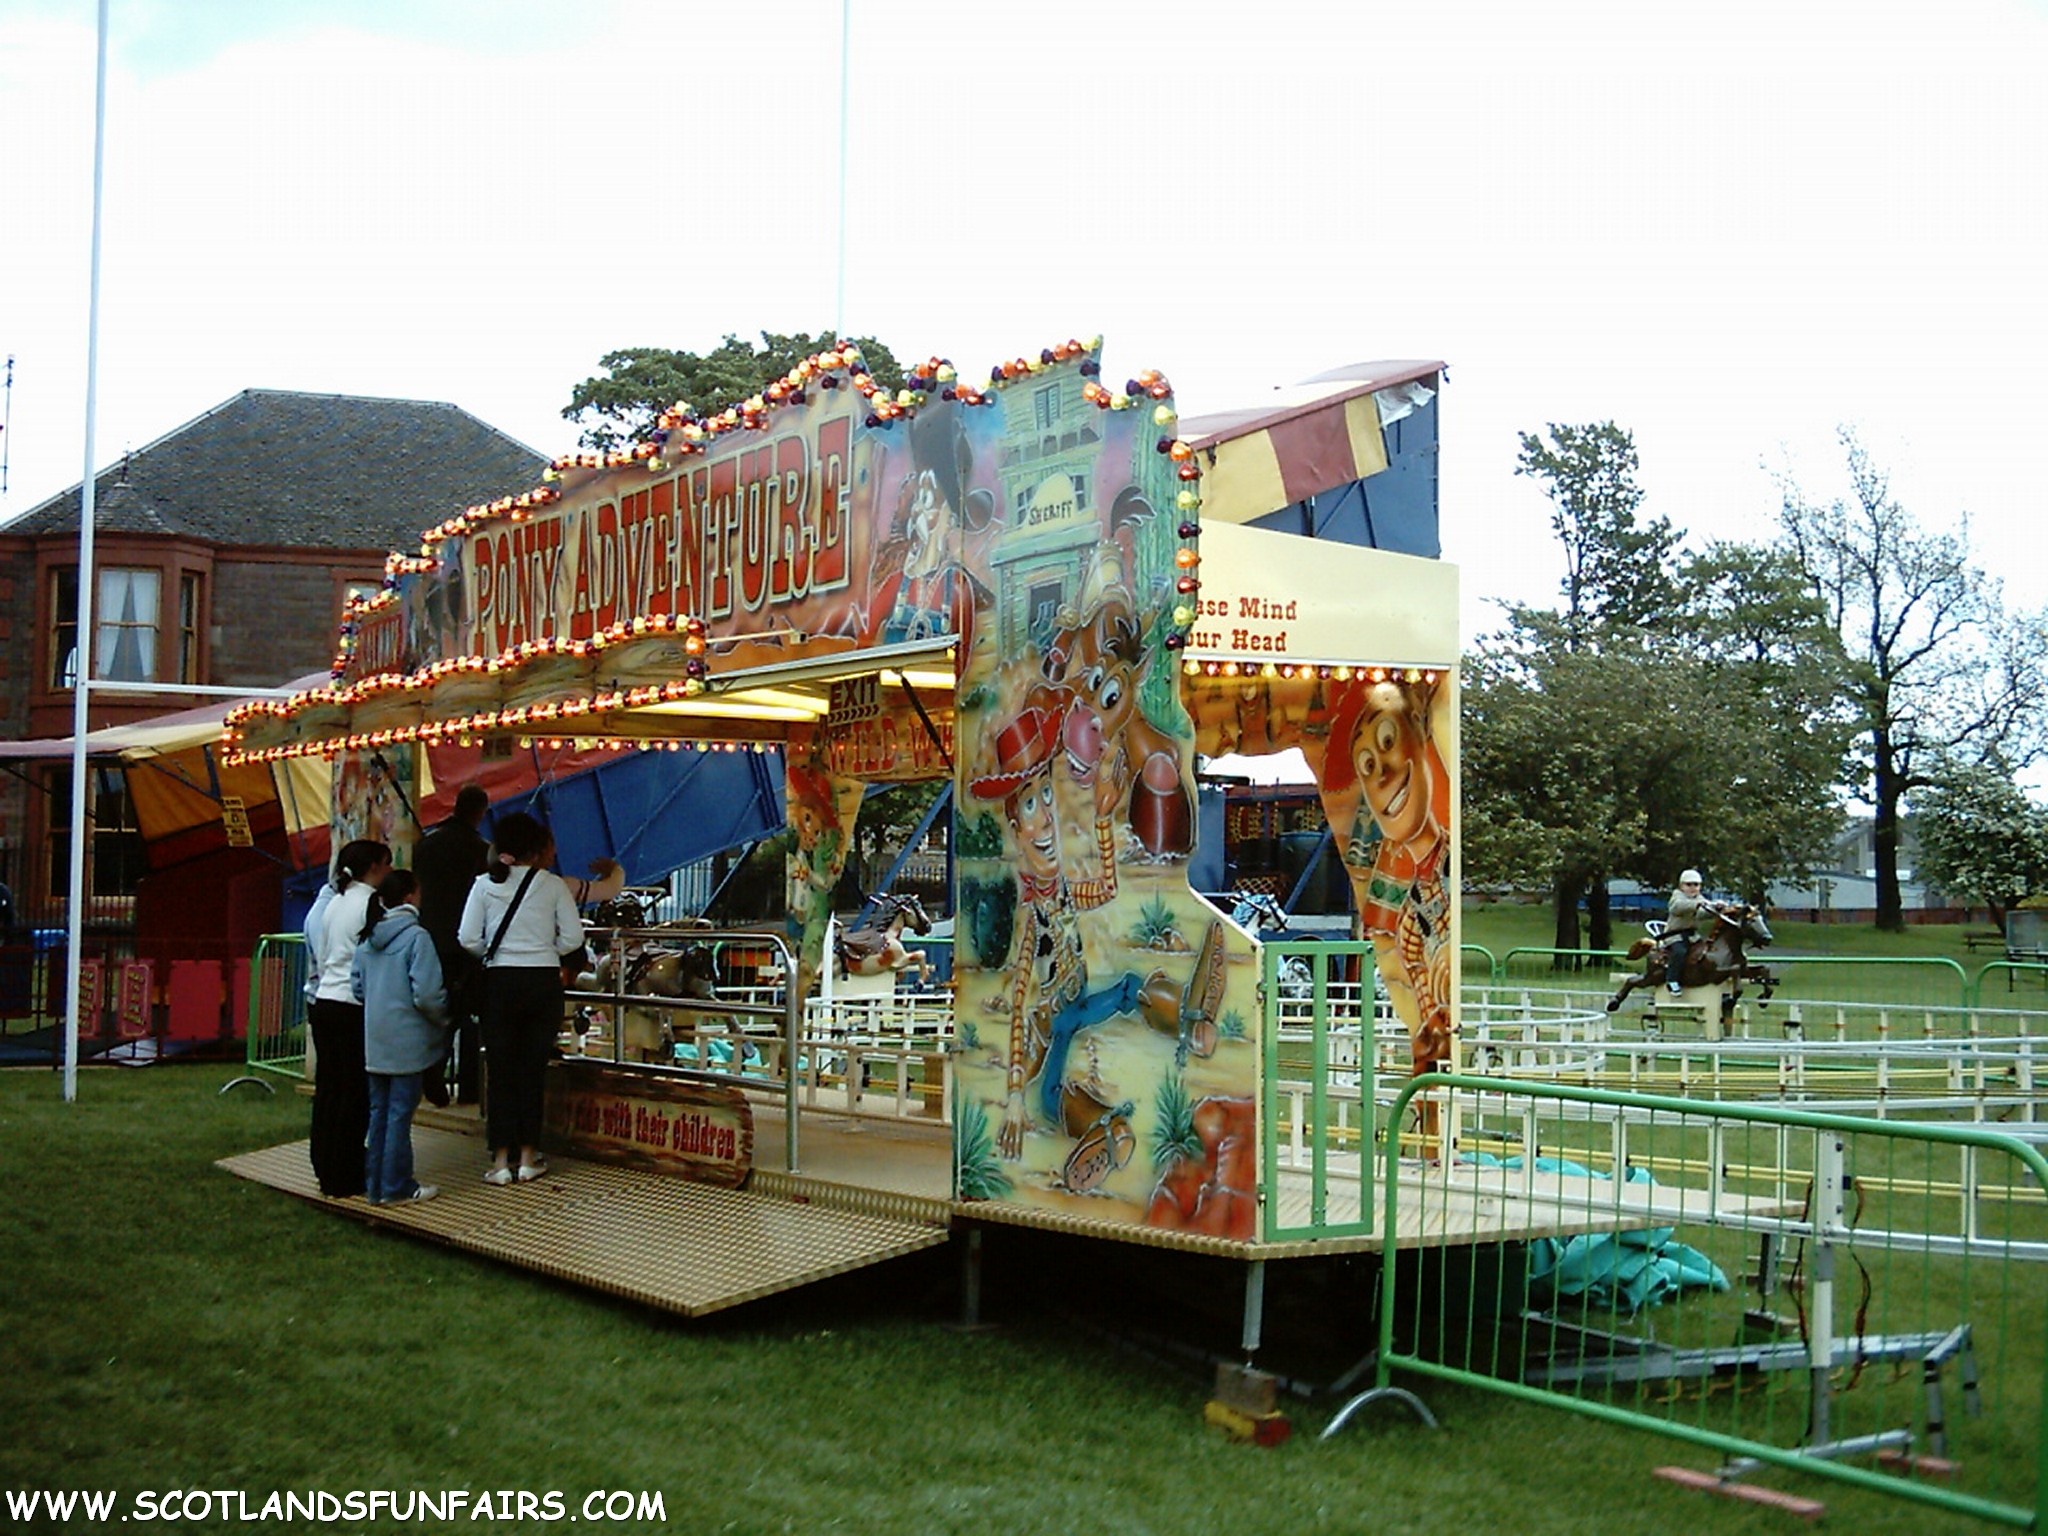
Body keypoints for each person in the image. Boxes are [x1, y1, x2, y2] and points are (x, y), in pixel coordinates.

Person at [459, 811, 586, 1187]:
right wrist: (546, 950)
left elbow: (467, 938)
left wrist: (494, 954)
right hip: (542, 982)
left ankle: (500, 1161)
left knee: (500, 1072)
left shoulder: (484, 885)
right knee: (532, 1070)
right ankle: (529, 1157)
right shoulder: (552, 886)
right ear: (536, 848)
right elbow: (574, 939)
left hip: (499, 982)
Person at [350, 869, 449, 1204]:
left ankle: (375, 1185)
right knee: (399, 1116)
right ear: (409, 896)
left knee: (378, 1113)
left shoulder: (367, 938)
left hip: (375, 1039)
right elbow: (427, 995)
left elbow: (357, 987)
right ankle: (397, 1186)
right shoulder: (417, 938)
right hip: (408, 1041)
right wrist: (444, 1018)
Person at [307, 839, 393, 1197]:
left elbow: (325, 953)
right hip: (351, 1005)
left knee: (329, 1088)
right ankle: (347, 1171)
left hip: (325, 999)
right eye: (386, 864)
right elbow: (378, 952)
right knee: (354, 1092)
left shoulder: (334, 902)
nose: (389, 872)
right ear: (374, 866)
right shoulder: (371, 903)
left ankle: (325, 1164)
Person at [412, 783, 491, 1105]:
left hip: (429, 938)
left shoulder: (426, 844)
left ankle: (431, 1068)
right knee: (471, 1014)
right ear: (481, 812)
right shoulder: (479, 849)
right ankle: (470, 1087)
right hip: (465, 944)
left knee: (436, 1010)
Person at [1661, 868, 1719, 994]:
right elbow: (1678, 908)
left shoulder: (1699, 898)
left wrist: (1717, 909)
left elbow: (1702, 914)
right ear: (1681, 886)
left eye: (1696, 885)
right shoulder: (1677, 896)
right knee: (1679, 952)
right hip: (1674, 936)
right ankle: (1672, 980)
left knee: (1705, 951)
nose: (1693, 887)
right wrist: (1699, 904)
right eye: (1689, 884)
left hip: (1692, 936)